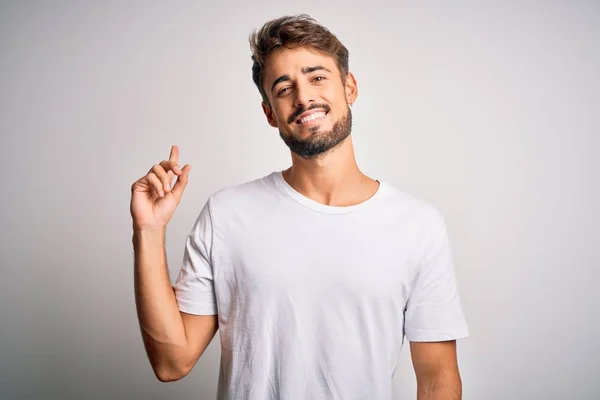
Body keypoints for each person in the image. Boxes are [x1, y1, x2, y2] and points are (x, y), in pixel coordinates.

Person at [130, 14, 469, 400]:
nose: (304, 97)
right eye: (284, 87)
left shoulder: (417, 225)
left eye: (317, 77)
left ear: (350, 86)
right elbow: (172, 362)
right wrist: (149, 231)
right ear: (270, 113)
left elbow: (438, 378)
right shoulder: (227, 214)